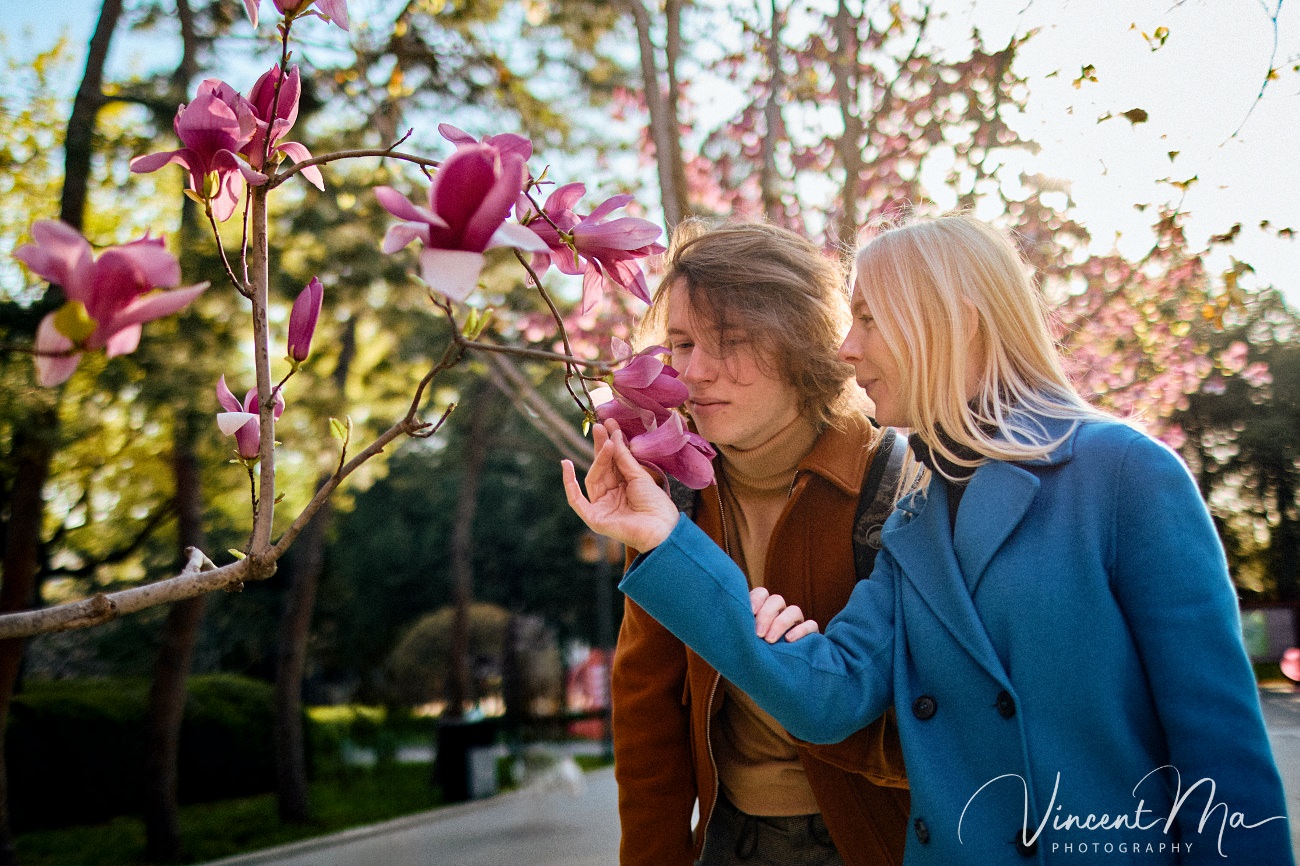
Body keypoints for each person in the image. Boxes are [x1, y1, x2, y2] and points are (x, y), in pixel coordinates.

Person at [563, 214, 1294, 864]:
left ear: (957, 322)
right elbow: (827, 695)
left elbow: (1221, 750)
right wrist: (667, 540)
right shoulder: (920, 513)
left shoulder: (1126, 473)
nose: (846, 349)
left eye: (869, 319)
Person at [605, 220, 911, 866]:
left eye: (730, 341)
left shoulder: (893, 481)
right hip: (732, 838)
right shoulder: (671, 494)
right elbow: (646, 710)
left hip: (875, 840)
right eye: (682, 343)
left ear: (801, 342)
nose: (694, 371)